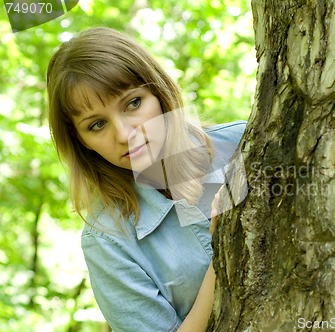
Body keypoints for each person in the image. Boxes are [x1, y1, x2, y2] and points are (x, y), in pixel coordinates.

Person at [46, 27, 247, 331]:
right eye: (97, 124)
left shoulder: (244, 143)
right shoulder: (108, 241)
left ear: (159, 92)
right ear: (81, 140)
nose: (126, 135)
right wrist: (225, 252)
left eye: (133, 103)